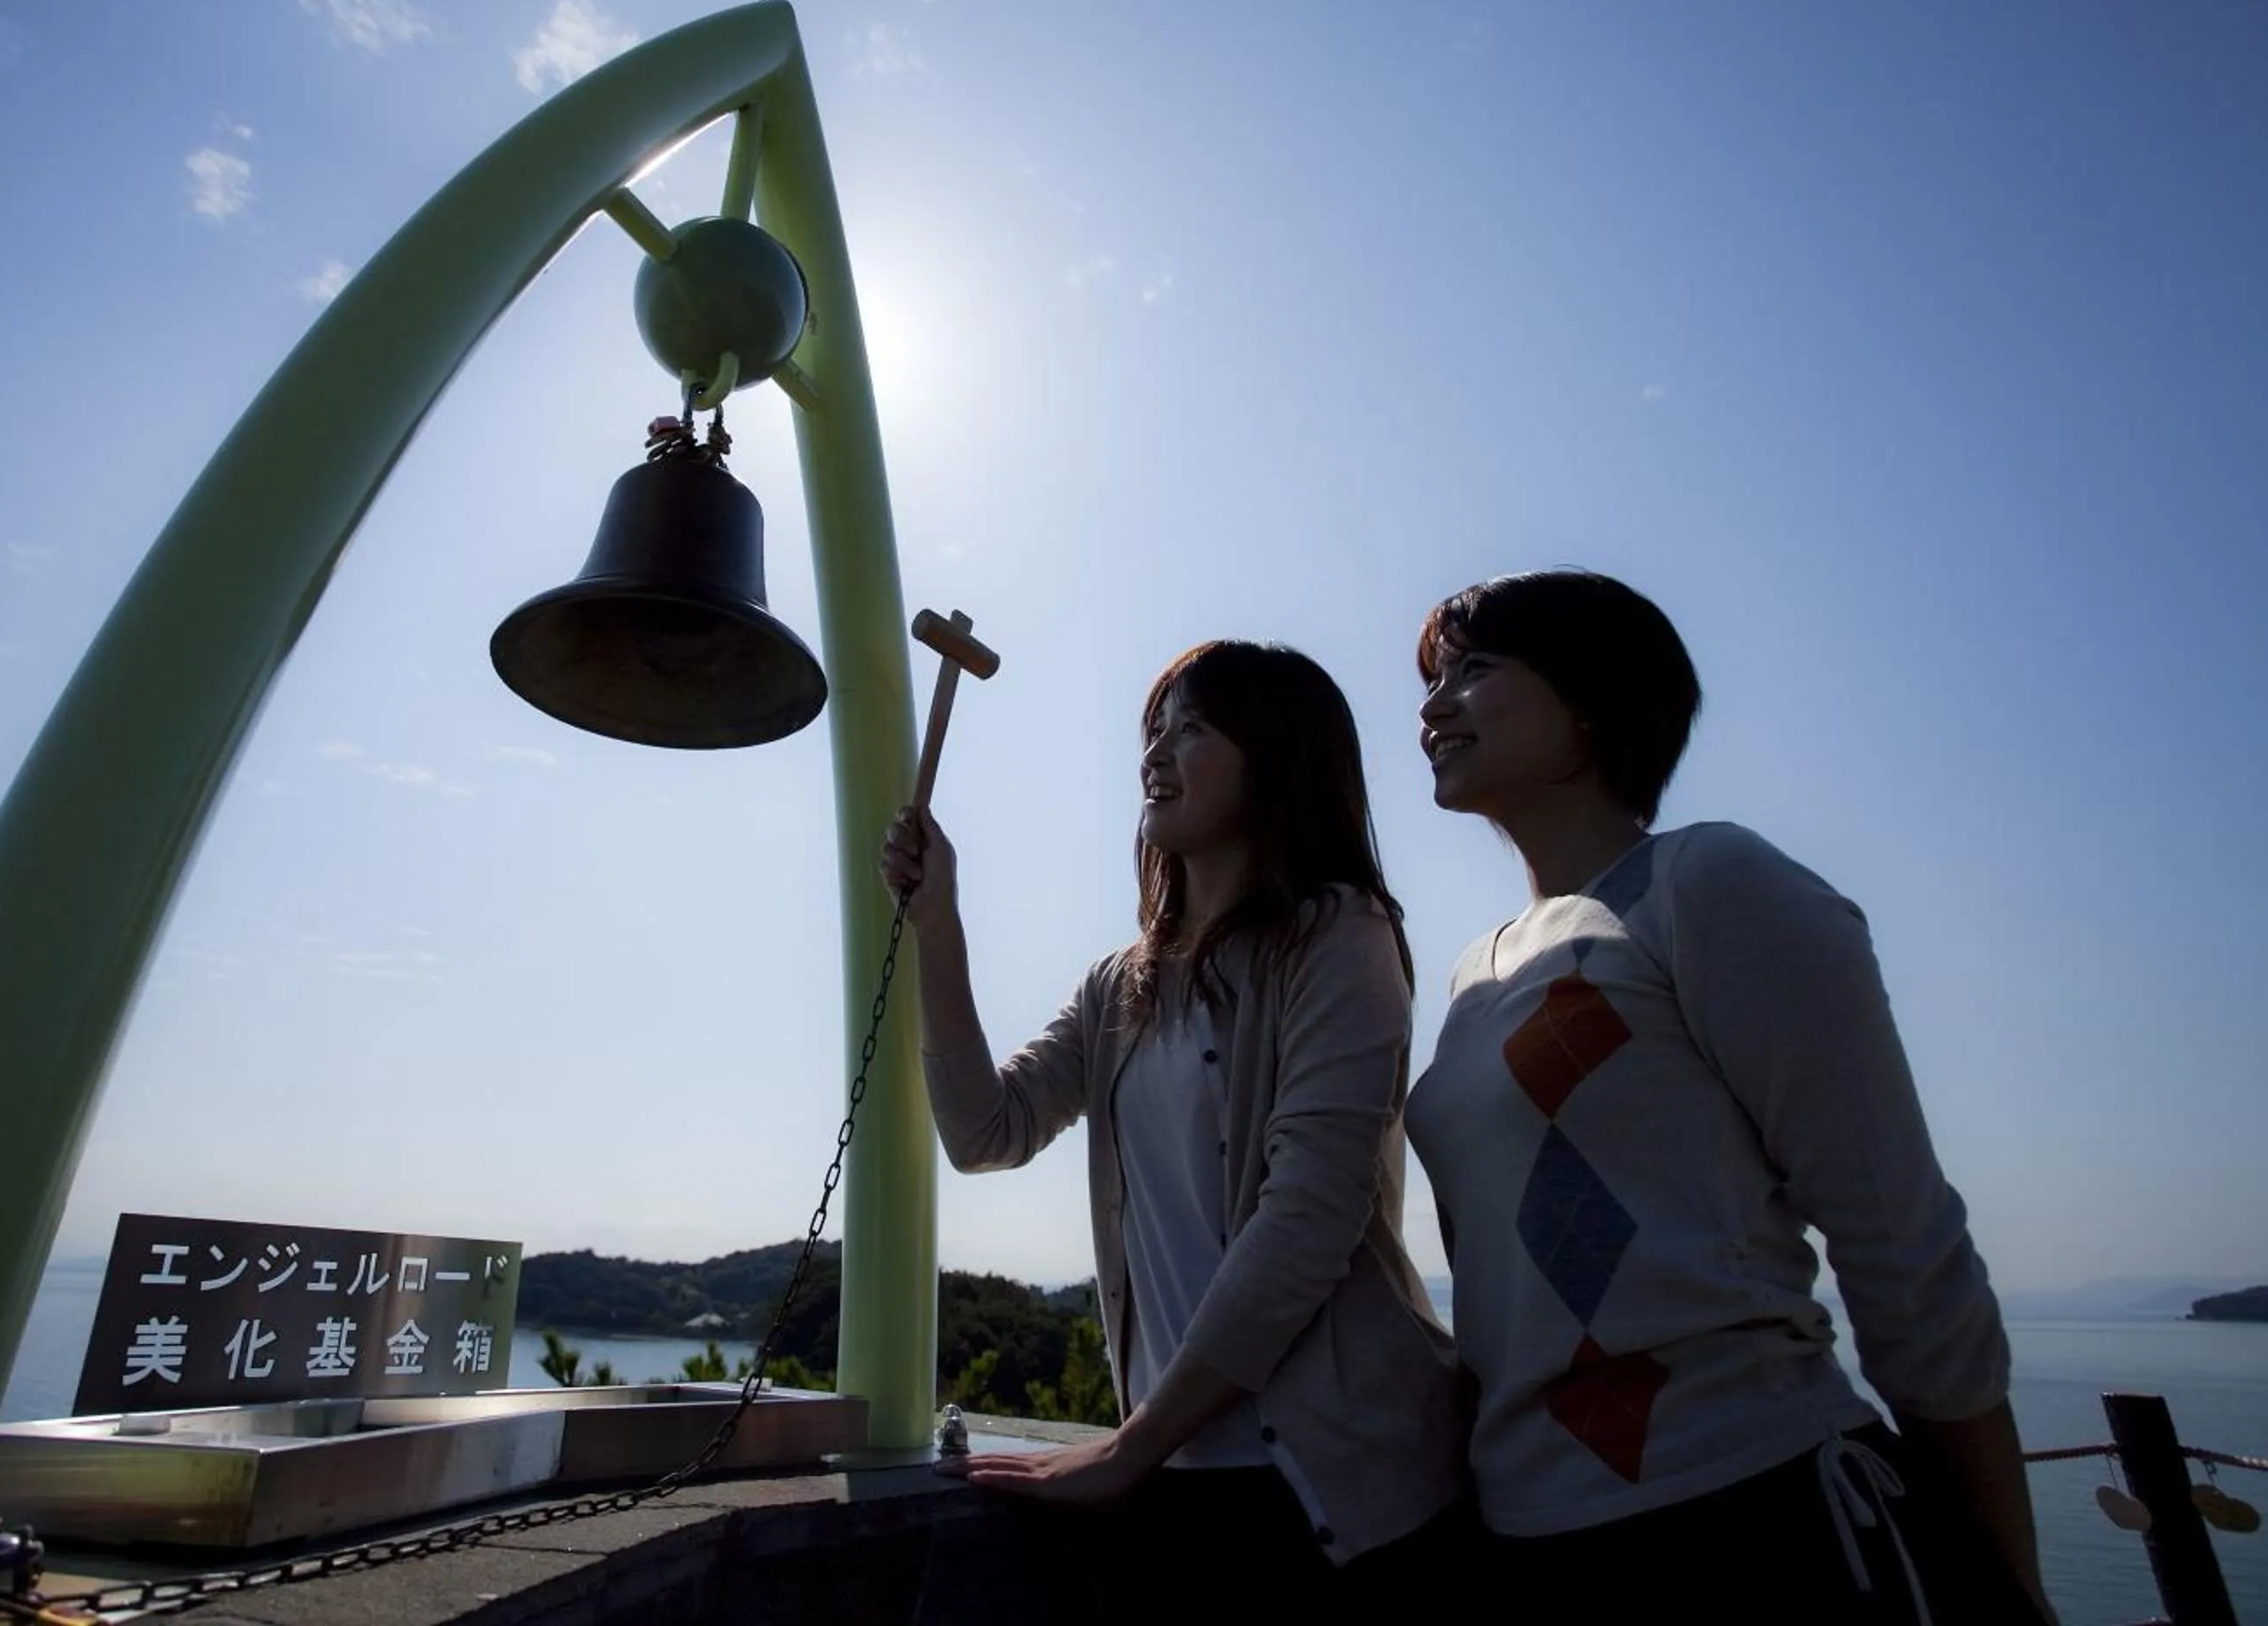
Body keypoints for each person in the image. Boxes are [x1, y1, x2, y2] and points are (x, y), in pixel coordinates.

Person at [1406, 568, 2051, 1623]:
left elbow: (1903, 1254)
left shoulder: (1706, 884)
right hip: (1526, 1538)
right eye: (1435, 678)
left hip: (1757, 1519)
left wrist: (2009, 1586)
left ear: (1590, 700)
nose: (1433, 704)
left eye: (1475, 670)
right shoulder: (1476, 972)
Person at [878, 639, 1470, 1616]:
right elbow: (986, 1129)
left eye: (1193, 728)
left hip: (1352, 1486)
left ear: (1279, 755)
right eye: (1154, 728)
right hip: (1180, 1475)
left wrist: (1129, 1443)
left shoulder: (1339, 933)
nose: (1156, 752)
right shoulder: (1123, 981)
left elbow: (1310, 1214)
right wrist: (940, 922)